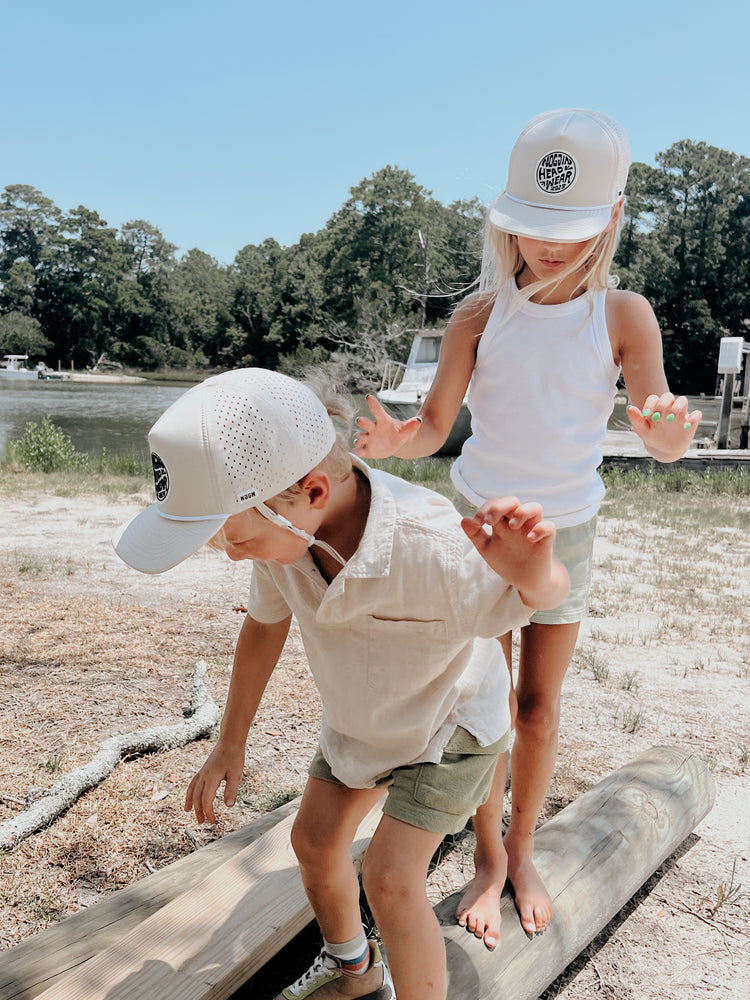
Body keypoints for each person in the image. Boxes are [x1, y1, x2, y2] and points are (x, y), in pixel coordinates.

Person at [352, 108, 703, 949]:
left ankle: (524, 847)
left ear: (613, 219)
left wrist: (666, 436)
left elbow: (654, 430)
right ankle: (485, 858)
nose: (549, 246)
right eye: (533, 227)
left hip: (564, 532)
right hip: (478, 529)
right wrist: (404, 440)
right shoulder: (478, 314)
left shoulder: (624, 315)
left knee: (540, 707)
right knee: (485, 707)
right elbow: (437, 426)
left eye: (571, 230)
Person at [112, 367, 569, 1000]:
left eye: (236, 537)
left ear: (313, 492)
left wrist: (538, 572)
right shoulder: (285, 537)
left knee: (390, 877)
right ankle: (355, 971)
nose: (231, 554)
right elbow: (263, 630)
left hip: (448, 725)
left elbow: (536, 596)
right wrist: (230, 742)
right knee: (313, 840)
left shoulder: (426, 543)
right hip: (363, 719)